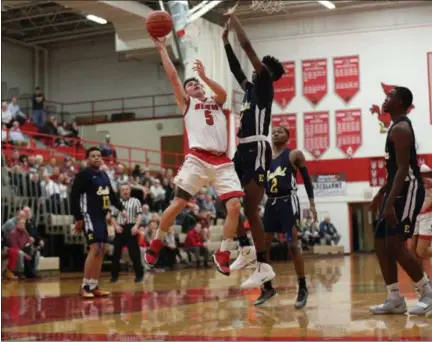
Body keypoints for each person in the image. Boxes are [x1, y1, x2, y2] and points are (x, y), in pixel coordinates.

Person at [144, 36, 244, 276]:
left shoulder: (215, 101)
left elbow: (222, 94)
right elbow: (173, 77)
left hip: (222, 161)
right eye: (191, 85)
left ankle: (223, 253)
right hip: (197, 158)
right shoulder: (187, 104)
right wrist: (162, 50)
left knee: (234, 207)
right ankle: (157, 241)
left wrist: (206, 77)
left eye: (197, 84)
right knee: (178, 204)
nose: (194, 86)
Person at [222, 6, 285, 289]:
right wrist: (224, 41)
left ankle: (261, 264)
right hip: (241, 150)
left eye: (261, 67)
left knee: (249, 207)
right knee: (228, 200)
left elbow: (247, 48)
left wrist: (234, 20)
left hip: (258, 149)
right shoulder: (249, 89)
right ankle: (246, 249)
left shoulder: (265, 87)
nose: (255, 67)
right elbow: (236, 67)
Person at [369, 86, 431, 316]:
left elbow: (404, 169)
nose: (386, 97)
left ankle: (427, 292)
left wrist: (390, 200)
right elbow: (394, 170)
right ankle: (395, 298)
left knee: (394, 244)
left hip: (409, 190)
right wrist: (381, 193)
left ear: (402, 102)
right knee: (379, 241)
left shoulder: (402, 128)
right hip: (397, 189)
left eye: (391, 95)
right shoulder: (394, 127)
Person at [257, 126, 317, 306]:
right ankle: (267, 287)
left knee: (292, 245)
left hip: (287, 204)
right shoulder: (266, 158)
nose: (275, 133)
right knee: (264, 248)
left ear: (287, 138)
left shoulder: (294, 155)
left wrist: (312, 204)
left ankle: (302, 287)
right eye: (273, 131)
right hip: (271, 205)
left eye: (280, 131)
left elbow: (306, 179)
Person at [71, 147, 126, 298]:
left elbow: (112, 194)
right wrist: (78, 218)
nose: (96, 158)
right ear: (87, 159)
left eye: (98, 156)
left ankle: (94, 285)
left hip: (101, 217)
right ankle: (85, 286)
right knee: (95, 249)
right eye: (93, 156)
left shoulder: (104, 175)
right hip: (88, 216)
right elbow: (74, 196)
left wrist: (121, 208)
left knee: (101, 250)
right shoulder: (83, 174)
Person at [110, 183, 144, 283]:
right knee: (116, 254)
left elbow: (139, 215)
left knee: (135, 254)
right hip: (120, 228)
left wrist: (136, 226)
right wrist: (116, 226)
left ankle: (139, 276)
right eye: (123, 190)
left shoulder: (136, 201)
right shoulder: (116, 202)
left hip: (131, 228)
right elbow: (112, 216)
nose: (125, 191)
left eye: (127, 189)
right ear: (120, 192)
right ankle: (114, 277)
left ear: (130, 191)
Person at [409, 164, 432, 283]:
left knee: (421, 251)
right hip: (415, 216)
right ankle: (424, 278)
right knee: (412, 252)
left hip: (427, 215)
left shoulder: (424, 174)